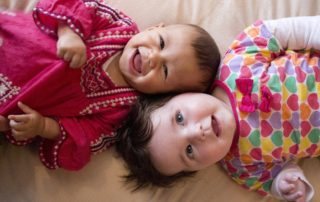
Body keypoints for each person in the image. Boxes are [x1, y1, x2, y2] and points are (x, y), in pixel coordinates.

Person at [116, 16, 320, 202]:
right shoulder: (240, 166)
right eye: (189, 151)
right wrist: (286, 183)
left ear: (181, 93)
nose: (197, 132)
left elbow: (278, 32)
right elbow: (273, 178)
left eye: (179, 118)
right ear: (199, 168)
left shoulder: (236, 62)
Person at [0, 0, 220, 170]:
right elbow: (80, 5)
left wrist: (42, 126)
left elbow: (85, 136)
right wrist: (69, 32)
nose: (154, 57)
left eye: (165, 71)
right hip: (12, 38)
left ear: (162, 94)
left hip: (12, 100)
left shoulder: (121, 110)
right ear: (155, 28)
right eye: (161, 42)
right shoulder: (118, 25)